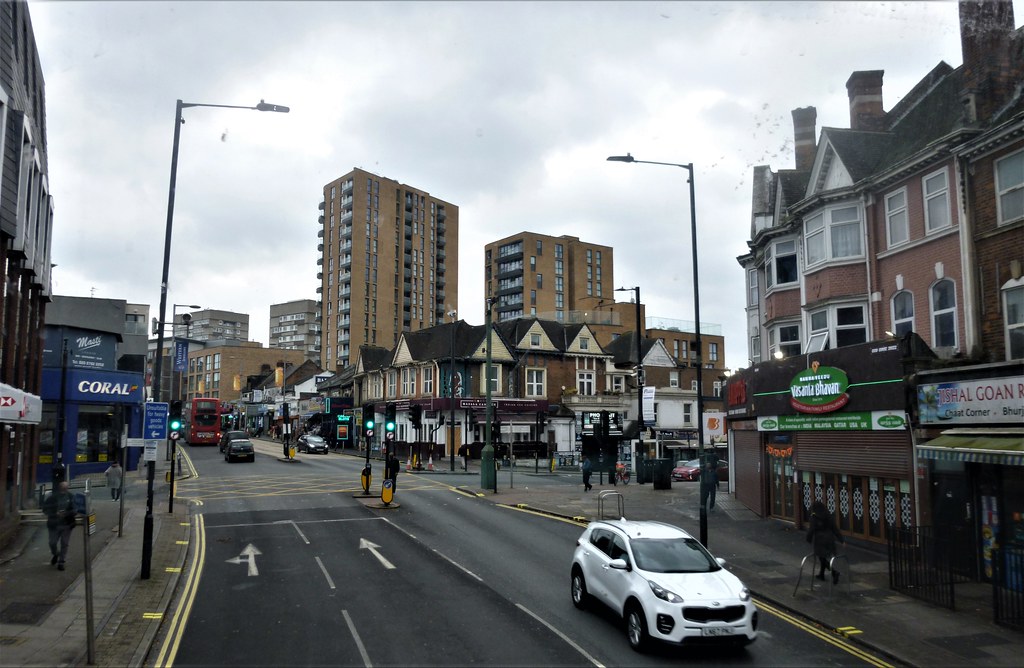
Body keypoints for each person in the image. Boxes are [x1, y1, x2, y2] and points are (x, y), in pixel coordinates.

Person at [806, 500, 845, 584]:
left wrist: (808, 538)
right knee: (823, 557)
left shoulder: (814, 517)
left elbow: (811, 529)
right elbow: (835, 528)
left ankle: (834, 572)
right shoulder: (828, 515)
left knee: (822, 558)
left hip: (820, 540)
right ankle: (822, 574)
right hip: (830, 539)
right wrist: (841, 540)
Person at [42, 481, 76, 571]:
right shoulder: (52, 498)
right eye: (63, 488)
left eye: (66, 488)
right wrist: (55, 513)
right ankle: (56, 554)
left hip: (67, 524)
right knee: (52, 542)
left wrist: (66, 514)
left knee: (64, 543)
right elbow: (45, 509)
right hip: (54, 524)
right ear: (60, 488)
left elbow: (75, 510)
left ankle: (61, 562)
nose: (65, 490)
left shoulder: (71, 497)